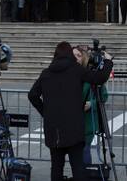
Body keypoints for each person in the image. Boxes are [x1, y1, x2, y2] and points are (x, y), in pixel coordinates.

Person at [28, 41, 113, 181]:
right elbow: (99, 78)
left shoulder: (46, 73)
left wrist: (45, 112)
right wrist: (108, 62)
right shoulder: (76, 70)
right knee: (78, 167)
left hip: (54, 130)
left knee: (56, 167)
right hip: (74, 129)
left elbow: (32, 95)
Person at [77, 46, 110, 167]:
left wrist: (92, 103)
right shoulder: (70, 73)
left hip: (88, 121)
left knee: (85, 149)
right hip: (72, 121)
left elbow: (104, 96)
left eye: (78, 56)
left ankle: (85, 172)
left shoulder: (92, 75)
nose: (76, 59)